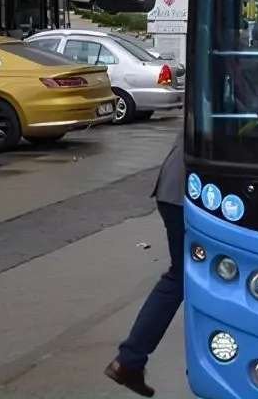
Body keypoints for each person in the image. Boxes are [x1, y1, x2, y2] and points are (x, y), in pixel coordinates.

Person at [105, 130, 187, 397]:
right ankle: (129, 360)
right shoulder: (234, 102)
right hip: (187, 194)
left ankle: (129, 360)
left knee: (187, 276)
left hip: (179, 192)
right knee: (184, 276)